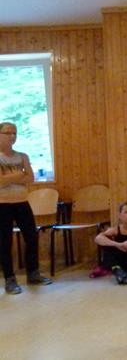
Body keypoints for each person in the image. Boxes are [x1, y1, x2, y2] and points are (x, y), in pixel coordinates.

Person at [0, 122, 52, 294]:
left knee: (31, 236)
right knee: (5, 242)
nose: (12, 136)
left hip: (22, 201)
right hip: (2, 204)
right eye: (8, 133)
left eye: (15, 133)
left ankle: (33, 273)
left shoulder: (22, 156)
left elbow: (30, 178)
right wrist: (18, 175)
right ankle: (10, 279)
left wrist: (10, 177)